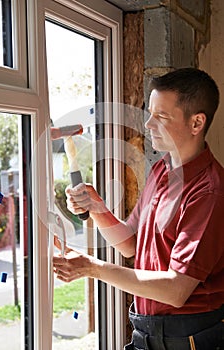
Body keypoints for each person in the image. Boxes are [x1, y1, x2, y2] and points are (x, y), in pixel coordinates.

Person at [53, 68, 224, 350]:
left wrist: (93, 267)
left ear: (196, 123)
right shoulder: (161, 170)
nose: (148, 124)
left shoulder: (209, 192)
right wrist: (97, 207)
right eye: (150, 113)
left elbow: (176, 290)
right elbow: (132, 244)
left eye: (162, 116)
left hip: (190, 340)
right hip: (148, 335)